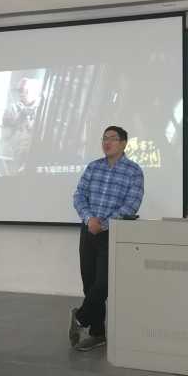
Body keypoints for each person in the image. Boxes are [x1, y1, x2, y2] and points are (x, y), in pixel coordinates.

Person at [70, 126, 144, 351]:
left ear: (123, 143)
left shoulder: (133, 171)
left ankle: (80, 318)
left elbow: (131, 205)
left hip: (113, 233)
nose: (107, 142)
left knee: (103, 284)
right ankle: (98, 333)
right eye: (104, 138)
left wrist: (102, 224)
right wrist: (89, 218)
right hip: (88, 231)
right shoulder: (93, 167)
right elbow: (79, 195)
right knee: (89, 282)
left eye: (112, 138)